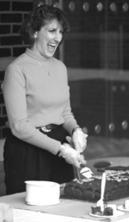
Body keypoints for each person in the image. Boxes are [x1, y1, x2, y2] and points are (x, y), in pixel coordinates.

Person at [2, 5, 88, 195]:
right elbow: (19, 126)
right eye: (51, 31)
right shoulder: (17, 70)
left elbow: (65, 112)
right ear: (34, 32)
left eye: (60, 32)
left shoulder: (60, 68)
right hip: (27, 152)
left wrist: (76, 130)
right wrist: (61, 150)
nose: (57, 38)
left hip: (59, 148)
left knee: (64, 206)